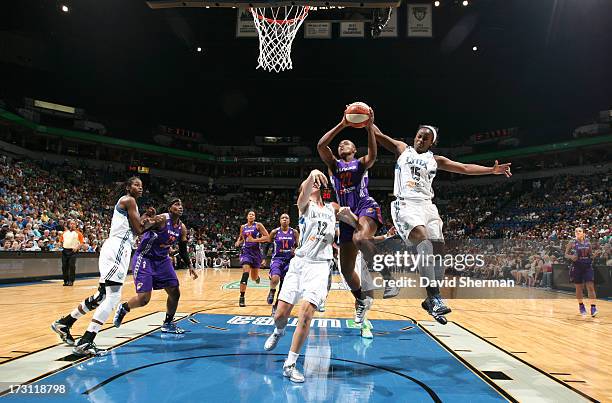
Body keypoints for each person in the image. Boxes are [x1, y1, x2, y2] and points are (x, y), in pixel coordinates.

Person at [373, 124, 512, 324]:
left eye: (425, 138)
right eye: (419, 136)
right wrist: (369, 119)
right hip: (406, 204)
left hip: (427, 206)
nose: (420, 140)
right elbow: (379, 136)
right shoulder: (403, 149)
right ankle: (435, 296)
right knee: (423, 241)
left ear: (432, 143)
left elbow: (464, 168)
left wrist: (491, 170)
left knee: (439, 250)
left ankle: (430, 300)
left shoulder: (435, 160)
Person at [263, 169, 349, 383]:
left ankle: (290, 364)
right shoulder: (304, 206)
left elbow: (342, 209)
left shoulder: (330, 207)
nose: (314, 186)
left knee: (306, 313)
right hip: (299, 264)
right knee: (280, 315)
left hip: (320, 266)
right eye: (310, 185)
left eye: (317, 185)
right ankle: (279, 330)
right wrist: (312, 174)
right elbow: (304, 192)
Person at [51, 177, 155, 348]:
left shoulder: (127, 203)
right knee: (114, 297)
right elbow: (139, 230)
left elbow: (133, 228)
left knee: (102, 296)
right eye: (136, 185)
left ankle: (64, 323)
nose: (140, 188)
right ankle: (87, 340)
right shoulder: (130, 200)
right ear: (128, 187)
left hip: (113, 248)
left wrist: (144, 217)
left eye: (142, 186)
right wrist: (154, 222)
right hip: (118, 250)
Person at [317, 106, 385, 324]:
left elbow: (374, 154)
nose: (341, 143)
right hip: (346, 217)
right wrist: (343, 124)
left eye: (346, 142)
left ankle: (387, 275)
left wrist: (369, 127)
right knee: (346, 271)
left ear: (355, 149)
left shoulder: (361, 163)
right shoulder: (333, 165)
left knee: (361, 238)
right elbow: (320, 145)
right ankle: (361, 300)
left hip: (364, 206)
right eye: (340, 144)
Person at [113, 197, 199, 335]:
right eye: (177, 204)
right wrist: (147, 219)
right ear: (170, 208)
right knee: (144, 299)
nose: (180, 206)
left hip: (162, 260)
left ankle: (168, 323)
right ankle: (124, 308)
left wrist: (190, 265)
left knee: (175, 292)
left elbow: (183, 249)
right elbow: (140, 229)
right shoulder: (161, 219)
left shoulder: (182, 228)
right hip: (145, 257)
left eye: (181, 204)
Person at [263, 213, 299, 316]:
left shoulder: (294, 232)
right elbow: (267, 245)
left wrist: (296, 250)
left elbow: (299, 246)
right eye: (282, 218)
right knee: (275, 278)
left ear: (289, 221)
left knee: (284, 287)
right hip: (277, 259)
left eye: (286, 218)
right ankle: (272, 291)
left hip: (290, 261)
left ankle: (276, 306)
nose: (284, 219)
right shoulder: (275, 232)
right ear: (280, 220)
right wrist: (264, 258)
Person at [235, 211, 270, 307]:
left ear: (254, 217)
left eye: (253, 214)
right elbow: (241, 237)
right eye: (250, 214)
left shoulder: (258, 225)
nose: (251, 216)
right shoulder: (243, 227)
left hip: (256, 253)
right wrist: (238, 242)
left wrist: (254, 240)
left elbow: (267, 237)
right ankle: (242, 297)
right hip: (246, 252)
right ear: (247, 217)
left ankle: (257, 277)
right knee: (245, 273)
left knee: (253, 277)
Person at [565, 227, 598, 317]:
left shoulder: (588, 242)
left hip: (587, 266)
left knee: (590, 287)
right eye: (576, 231)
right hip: (577, 267)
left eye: (579, 231)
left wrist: (594, 255)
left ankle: (593, 307)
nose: (577, 232)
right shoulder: (572, 242)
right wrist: (571, 257)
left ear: (583, 233)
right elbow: (566, 254)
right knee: (579, 288)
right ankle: (581, 306)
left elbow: (591, 255)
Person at [60, 219, 84, 285]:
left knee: (72, 266)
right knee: (64, 266)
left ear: (76, 225)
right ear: (68, 224)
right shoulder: (64, 233)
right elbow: (60, 241)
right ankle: (65, 281)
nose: (72, 225)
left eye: (74, 224)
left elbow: (82, 243)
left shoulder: (78, 233)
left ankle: (71, 280)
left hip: (73, 251)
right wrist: (61, 245)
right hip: (65, 250)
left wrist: (77, 247)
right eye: (71, 223)